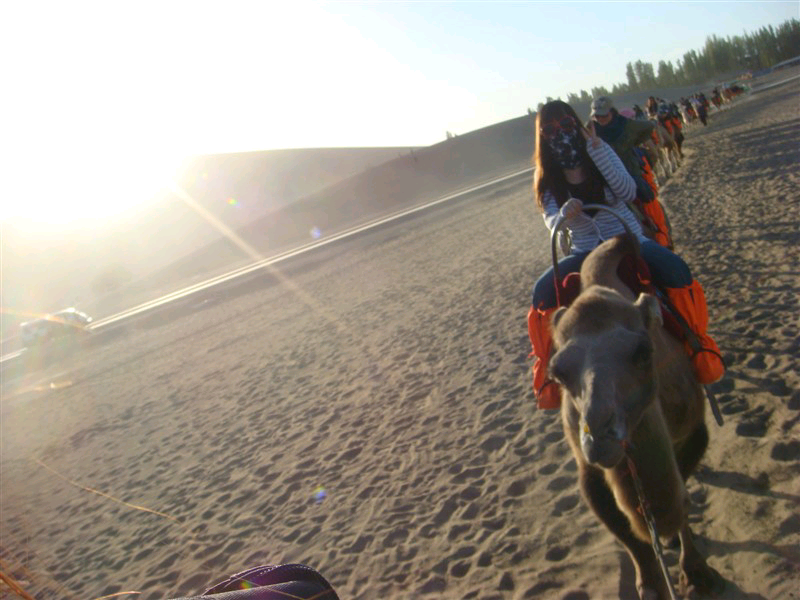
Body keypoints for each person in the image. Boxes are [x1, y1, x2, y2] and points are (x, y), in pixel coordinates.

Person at [527, 100, 724, 410]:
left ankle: (701, 348)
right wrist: (564, 214)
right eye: (550, 130)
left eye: (566, 126)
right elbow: (551, 219)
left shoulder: (600, 151)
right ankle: (548, 380)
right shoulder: (548, 178)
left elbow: (628, 191)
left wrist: (598, 152)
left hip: (627, 239)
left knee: (674, 269)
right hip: (584, 251)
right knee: (541, 291)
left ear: (576, 125)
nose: (560, 134)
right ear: (542, 136)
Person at [589, 96, 672, 248]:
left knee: (647, 197)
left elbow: (648, 127)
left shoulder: (627, 125)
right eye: (597, 115)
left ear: (612, 112)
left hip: (630, 173)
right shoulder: (590, 130)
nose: (600, 118)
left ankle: (663, 239)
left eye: (604, 115)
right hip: (605, 178)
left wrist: (633, 142)